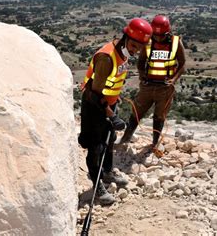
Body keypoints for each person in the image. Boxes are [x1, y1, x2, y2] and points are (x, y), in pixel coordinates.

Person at [78, 18, 152, 205]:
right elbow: (94, 93)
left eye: (139, 48)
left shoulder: (123, 53)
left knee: (109, 140)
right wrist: (112, 115)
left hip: (108, 104)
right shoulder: (106, 57)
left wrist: (115, 100)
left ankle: (108, 173)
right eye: (134, 45)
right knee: (96, 148)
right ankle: (97, 186)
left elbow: (111, 83)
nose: (135, 51)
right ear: (126, 37)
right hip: (94, 107)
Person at [119, 15, 186, 155]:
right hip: (147, 86)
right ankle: (125, 139)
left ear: (167, 33)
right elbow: (141, 62)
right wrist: (142, 75)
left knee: (159, 117)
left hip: (165, 88)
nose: (158, 38)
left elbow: (182, 64)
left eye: (161, 35)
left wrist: (173, 80)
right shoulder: (148, 43)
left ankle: (155, 143)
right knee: (137, 112)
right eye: (155, 35)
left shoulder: (176, 42)